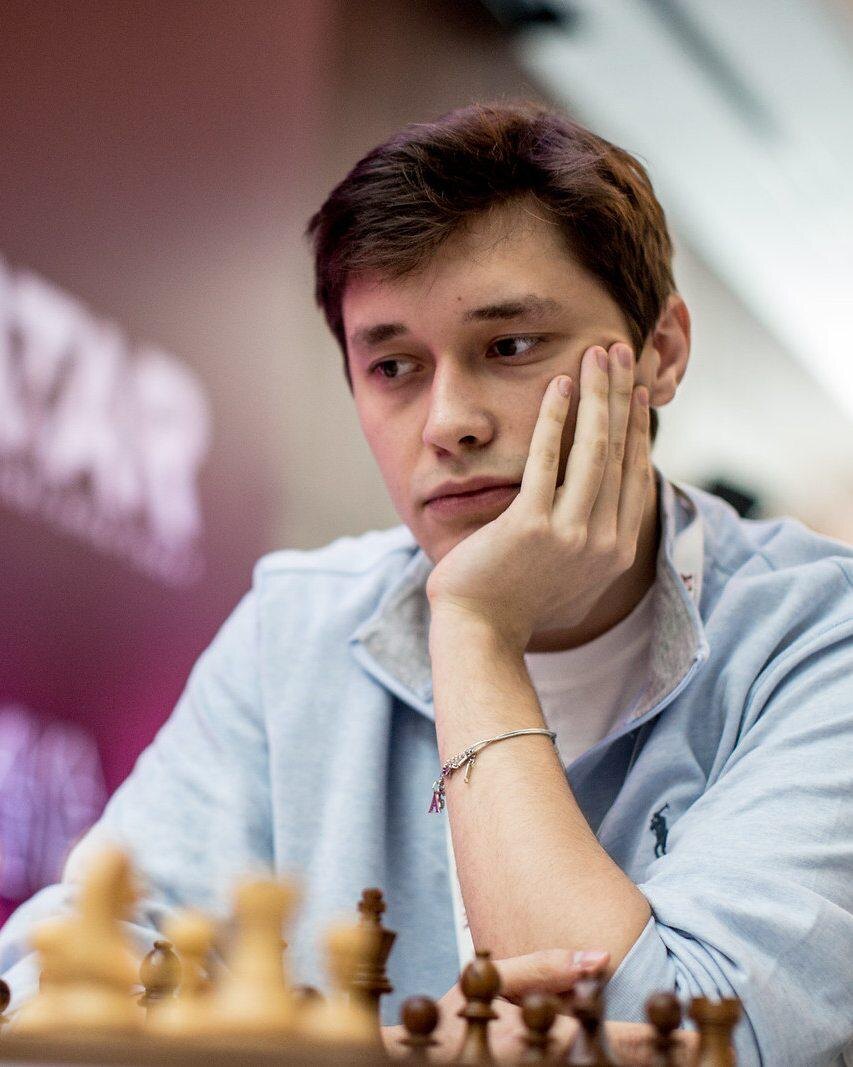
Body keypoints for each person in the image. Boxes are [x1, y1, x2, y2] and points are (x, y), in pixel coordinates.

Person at [1, 101, 851, 1065]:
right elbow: (45, 996)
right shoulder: (297, 627)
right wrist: (390, 1056)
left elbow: (690, 1043)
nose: (448, 421)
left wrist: (476, 631)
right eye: (394, 365)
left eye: (510, 346)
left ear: (660, 352)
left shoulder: (822, 634)